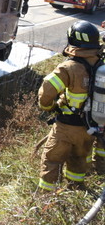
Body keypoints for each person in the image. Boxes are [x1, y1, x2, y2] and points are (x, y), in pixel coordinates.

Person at [37, 21, 102, 192]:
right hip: (89, 129)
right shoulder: (101, 66)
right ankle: (76, 189)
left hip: (66, 127)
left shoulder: (69, 67)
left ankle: (45, 197)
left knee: (52, 160)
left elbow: (46, 91)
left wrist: (49, 107)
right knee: (79, 159)